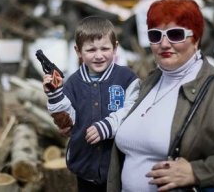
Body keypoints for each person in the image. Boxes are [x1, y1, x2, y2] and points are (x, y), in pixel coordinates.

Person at [107, 0, 214, 191]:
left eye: (175, 34)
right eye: (155, 35)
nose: (164, 43)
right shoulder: (147, 84)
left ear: (196, 39)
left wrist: (196, 172)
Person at [42, 16, 140, 192]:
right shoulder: (72, 83)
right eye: (91, 49)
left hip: (120, 168)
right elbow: (67, 122)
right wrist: (55, 95)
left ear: (115, 47)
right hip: (85, 167)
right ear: (78, 51)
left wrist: (108, 127)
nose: (99, 55)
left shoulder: (127, 78)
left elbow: (133, 111)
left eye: (105, 48)